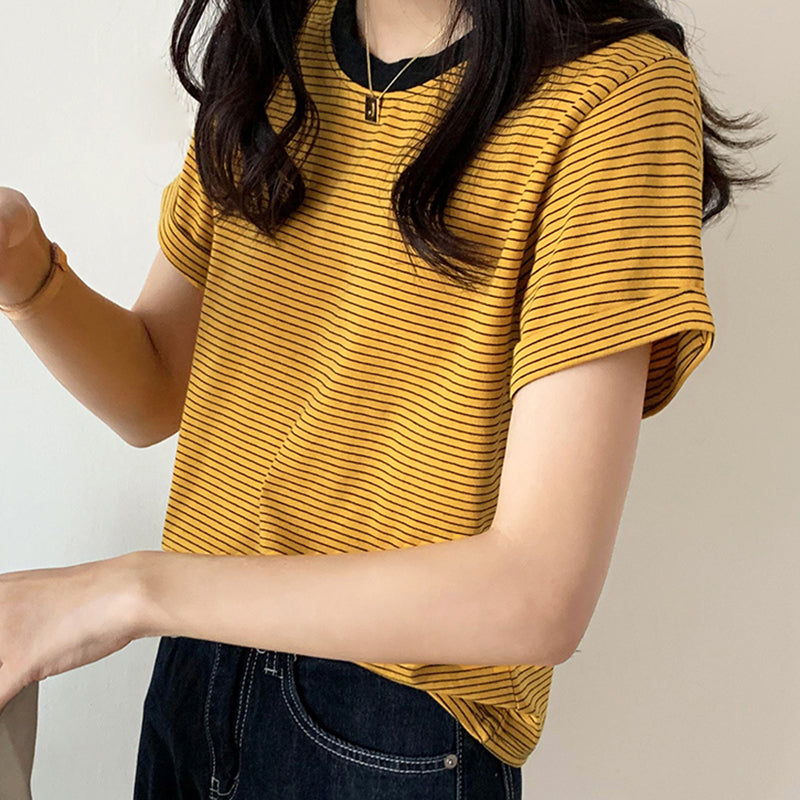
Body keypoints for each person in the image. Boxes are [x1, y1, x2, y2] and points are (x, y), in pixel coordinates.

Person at [0, 0, 773, 797]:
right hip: (195, 671)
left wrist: (126, 591)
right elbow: (155, 391)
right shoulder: (275, 42)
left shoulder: (615, 90)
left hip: (386, 723)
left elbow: (539, 596)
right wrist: (23, 266)